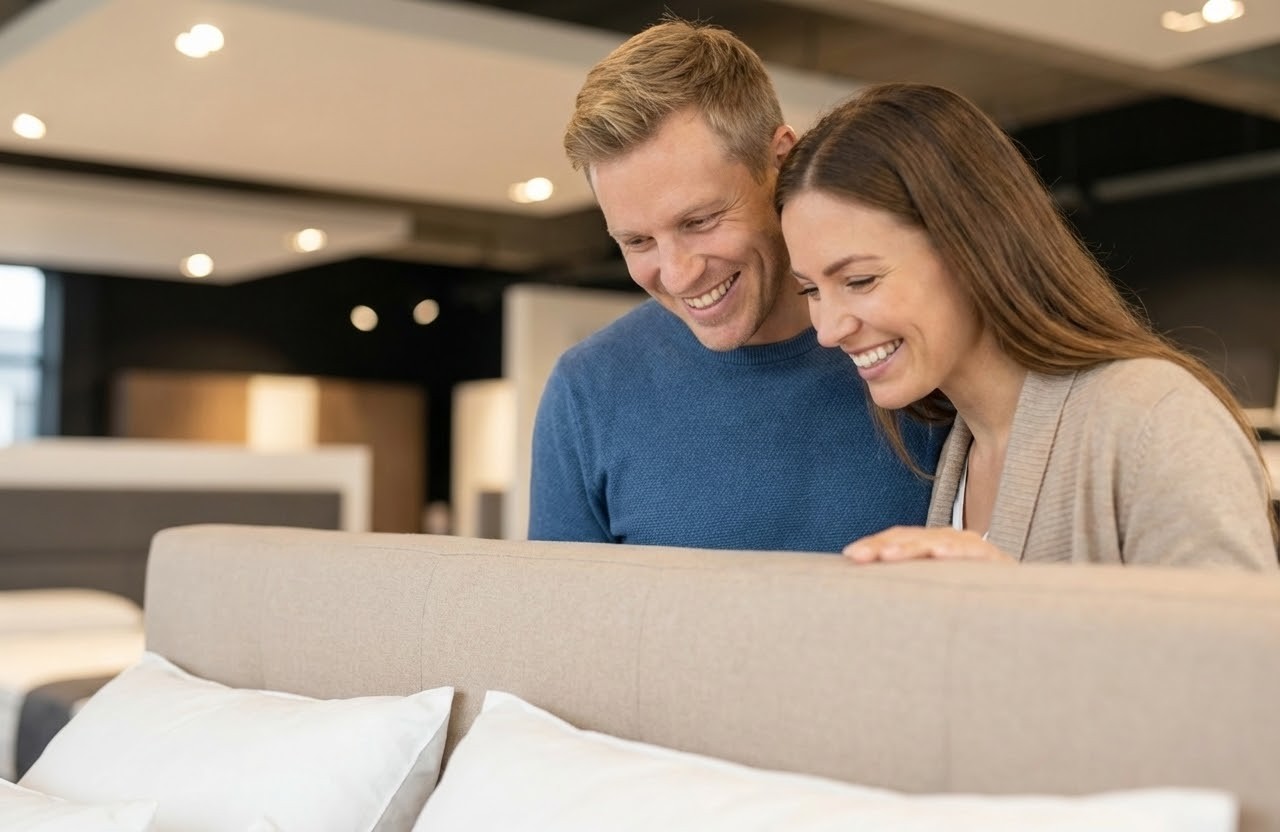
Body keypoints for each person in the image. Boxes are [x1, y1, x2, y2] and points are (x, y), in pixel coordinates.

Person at [776, 82, 1278, 569]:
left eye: (860, 280)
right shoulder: (957, 448)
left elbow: (1243, 653)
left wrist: (1017, 605)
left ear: (971, 246)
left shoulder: (1154, 418)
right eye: (811, 290)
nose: (829, 329)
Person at [528, 19, 942, 551]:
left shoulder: (910, 347)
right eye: (637, 242)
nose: (677, 275)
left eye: (699, 221)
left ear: (782, 158)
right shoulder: (587, 390)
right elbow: (558, 625)